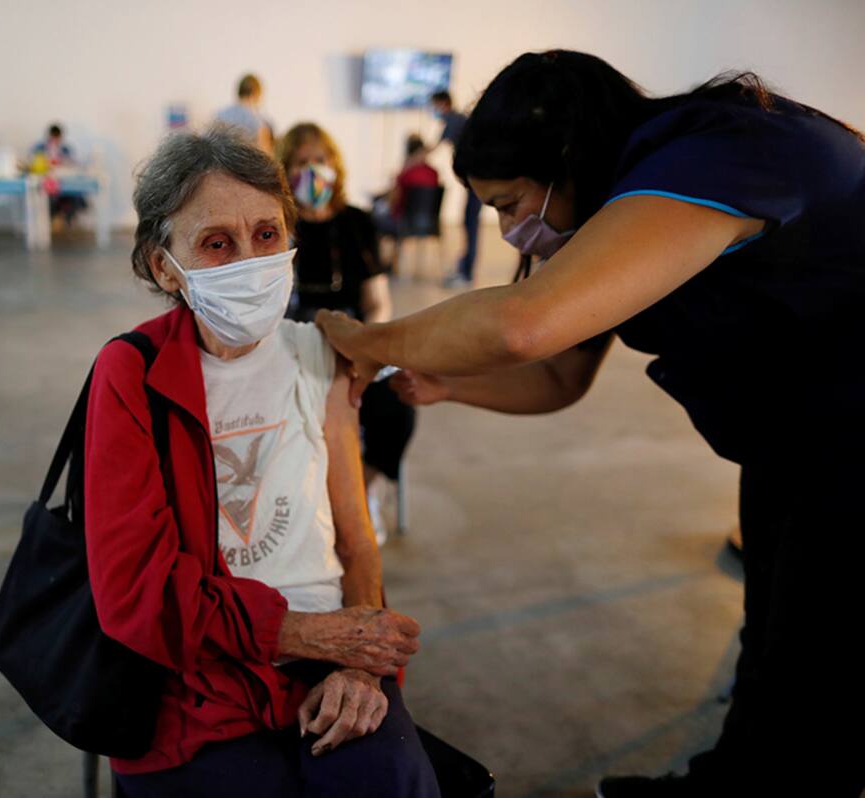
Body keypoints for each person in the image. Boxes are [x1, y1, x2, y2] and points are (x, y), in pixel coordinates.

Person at [317, 49, 865, 798]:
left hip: (849, 436)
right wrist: (446, 386)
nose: (510, 232)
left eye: (510, 205)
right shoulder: (616, 205)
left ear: (566, 158)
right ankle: (732, 779)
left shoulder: (715, 157)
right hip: (798, 438)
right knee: (771, 628)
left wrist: (365, 339)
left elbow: (523, 328)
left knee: (819, 654)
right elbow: (557, 376)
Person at [85, 126, 438, 797]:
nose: (251, 258)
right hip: (195, 674)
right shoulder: (132, 374)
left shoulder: (317, 353)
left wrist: (360, 667)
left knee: (389, 781)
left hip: (332, 651)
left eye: (267, 234)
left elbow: (358, 540)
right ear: (164, 267)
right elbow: (138, 595)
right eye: (217, 244)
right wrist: (315, 635)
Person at [278, 122, 416, 543]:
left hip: (356, 342)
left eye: (320, 160)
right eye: (302, 163)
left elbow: (378, 301)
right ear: (285, 170)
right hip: (292, 345)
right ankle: (310, 498)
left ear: (335, 166)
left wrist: (369, 349)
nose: (313, 170)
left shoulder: (357, 223)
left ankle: (361, 491)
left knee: (397, 405)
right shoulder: (277, 226)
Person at [430, 90, 482, 289]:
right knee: (469, 222)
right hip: (472, 180)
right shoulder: (457, 119)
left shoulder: (453, 119)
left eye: (434, 105)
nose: (433, 110)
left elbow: (434, 148)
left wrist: (410, 162)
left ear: (443, 103)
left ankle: (467, 273)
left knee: (471, 223)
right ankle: (464, 268)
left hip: (476, 179)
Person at [215, 73, 273, 153]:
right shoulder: (259, 120)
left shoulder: (220, 114)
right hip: (249, 163)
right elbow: (265, 153)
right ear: (256, 93)